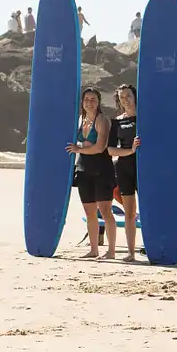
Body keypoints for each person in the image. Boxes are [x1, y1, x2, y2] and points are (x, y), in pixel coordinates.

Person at [66, 87, 118, 259]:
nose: (89, 102)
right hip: (83, 170)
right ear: (82, 102)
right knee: (89, 213)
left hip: (102, 170)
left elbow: (100, 147)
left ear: (98, 102)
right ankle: (94, 249)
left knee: (105, 211)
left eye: (93, 99)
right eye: (87, 99)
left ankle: (111, 251)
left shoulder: (102, 120)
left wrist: (78, 148)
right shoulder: (80, 120)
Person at [108, 84, 140, 262]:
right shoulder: (117, 121)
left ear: (135, 96)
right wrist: (130, 151)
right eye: (122, 97)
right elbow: (111, 150)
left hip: (146, 168)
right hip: (125, 168)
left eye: (128, 95)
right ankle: (131, 252)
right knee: (129, 212)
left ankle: (156, 246)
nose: (125, 99)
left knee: (150, 210)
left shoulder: (145, 116)